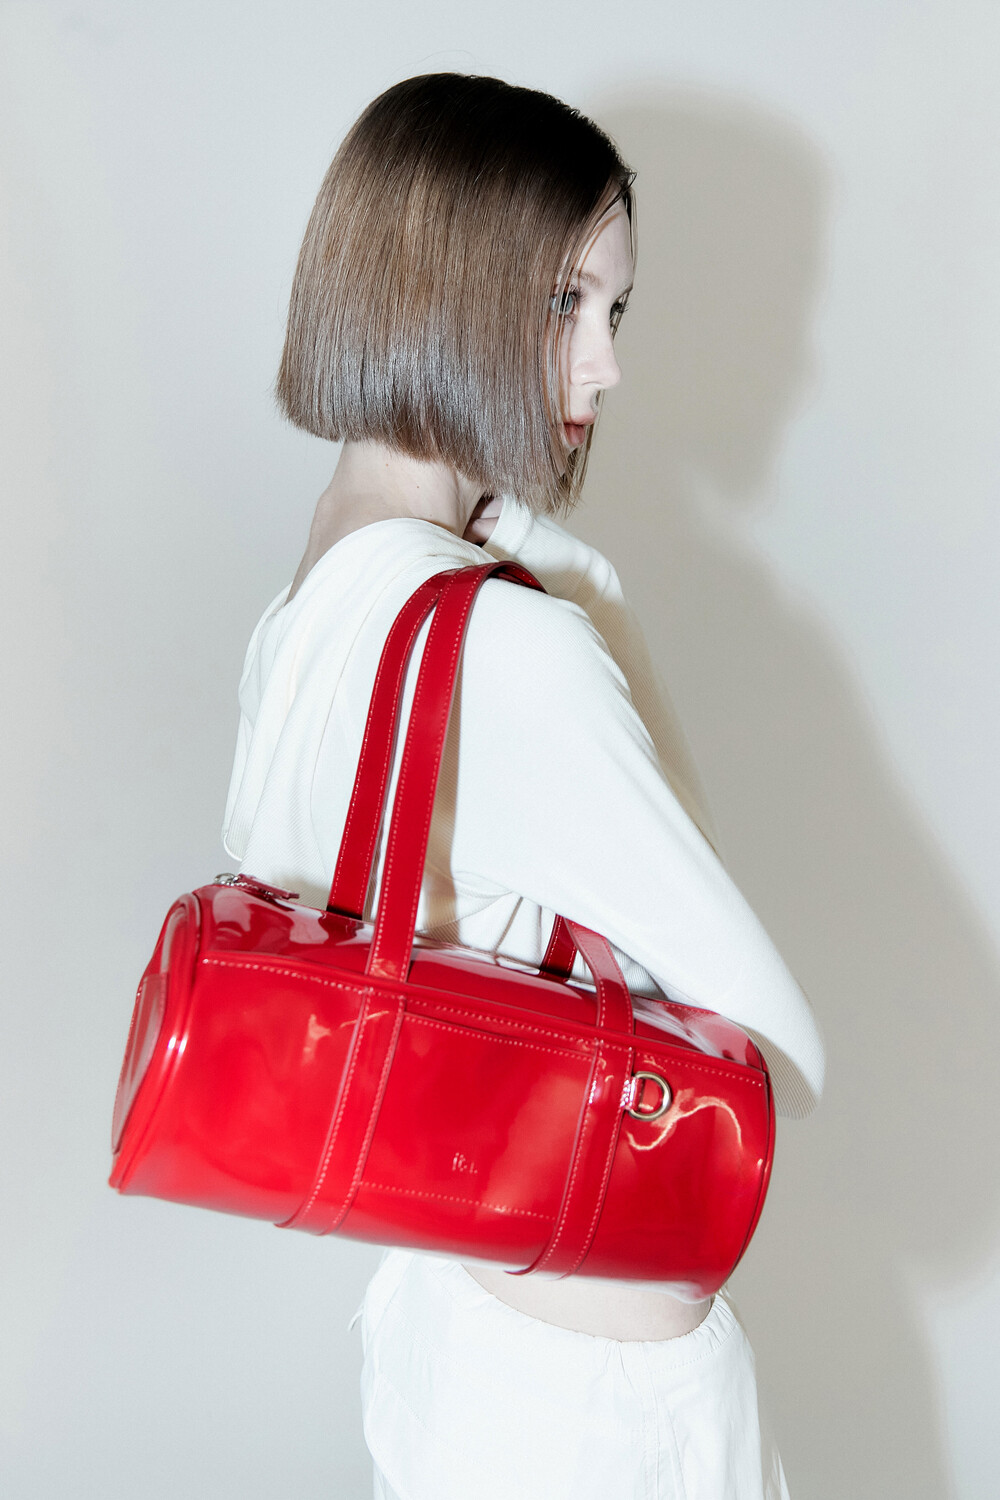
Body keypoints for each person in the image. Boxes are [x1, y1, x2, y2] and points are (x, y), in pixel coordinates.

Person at [222, 72, 825, 1500]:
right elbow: (769, 1050)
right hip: (596, 1411)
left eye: (618, 312)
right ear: (443, 287)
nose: (605, 367)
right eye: (568, 302)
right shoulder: (508, 652)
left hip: (451, 1345)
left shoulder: (310, 607)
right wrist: (576, 610)